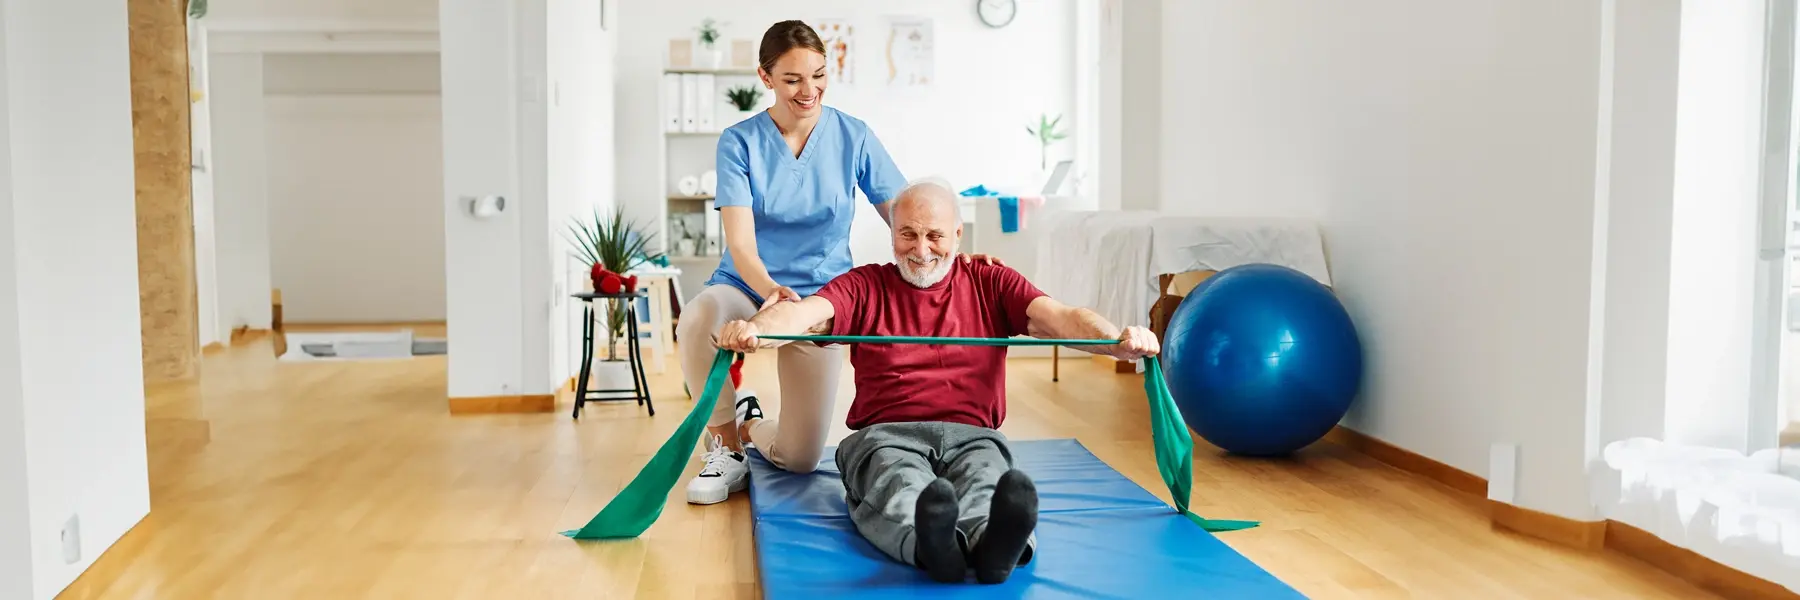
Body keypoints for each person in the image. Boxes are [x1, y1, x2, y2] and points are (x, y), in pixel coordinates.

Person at [712, 180, 1160, 584]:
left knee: (987, 479)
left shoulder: (990, 281)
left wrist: (1116, 341)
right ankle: (931, 547)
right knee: (897, 481)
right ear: (892, 234)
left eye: (935, 236)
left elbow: (1062, 317)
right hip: (886, 437)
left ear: (958, 236)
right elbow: (805, 314)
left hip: (974, 436)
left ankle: (992, 546)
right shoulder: (865, 285)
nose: (921, 250)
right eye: (907, 234)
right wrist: (756, 329)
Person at [680, 20, 998, 505]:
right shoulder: (739, 141)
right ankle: (725, 447)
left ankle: (748, 423)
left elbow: (905, 215)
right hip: (748, 284)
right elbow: (741, 244)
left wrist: (952, 257)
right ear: (765, 77)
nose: (809, 90)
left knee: (800, 458)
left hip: (821, 299)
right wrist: (769, 293)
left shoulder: (853, 136)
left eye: (819, 75)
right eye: (792, 79)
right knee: (698, 316)